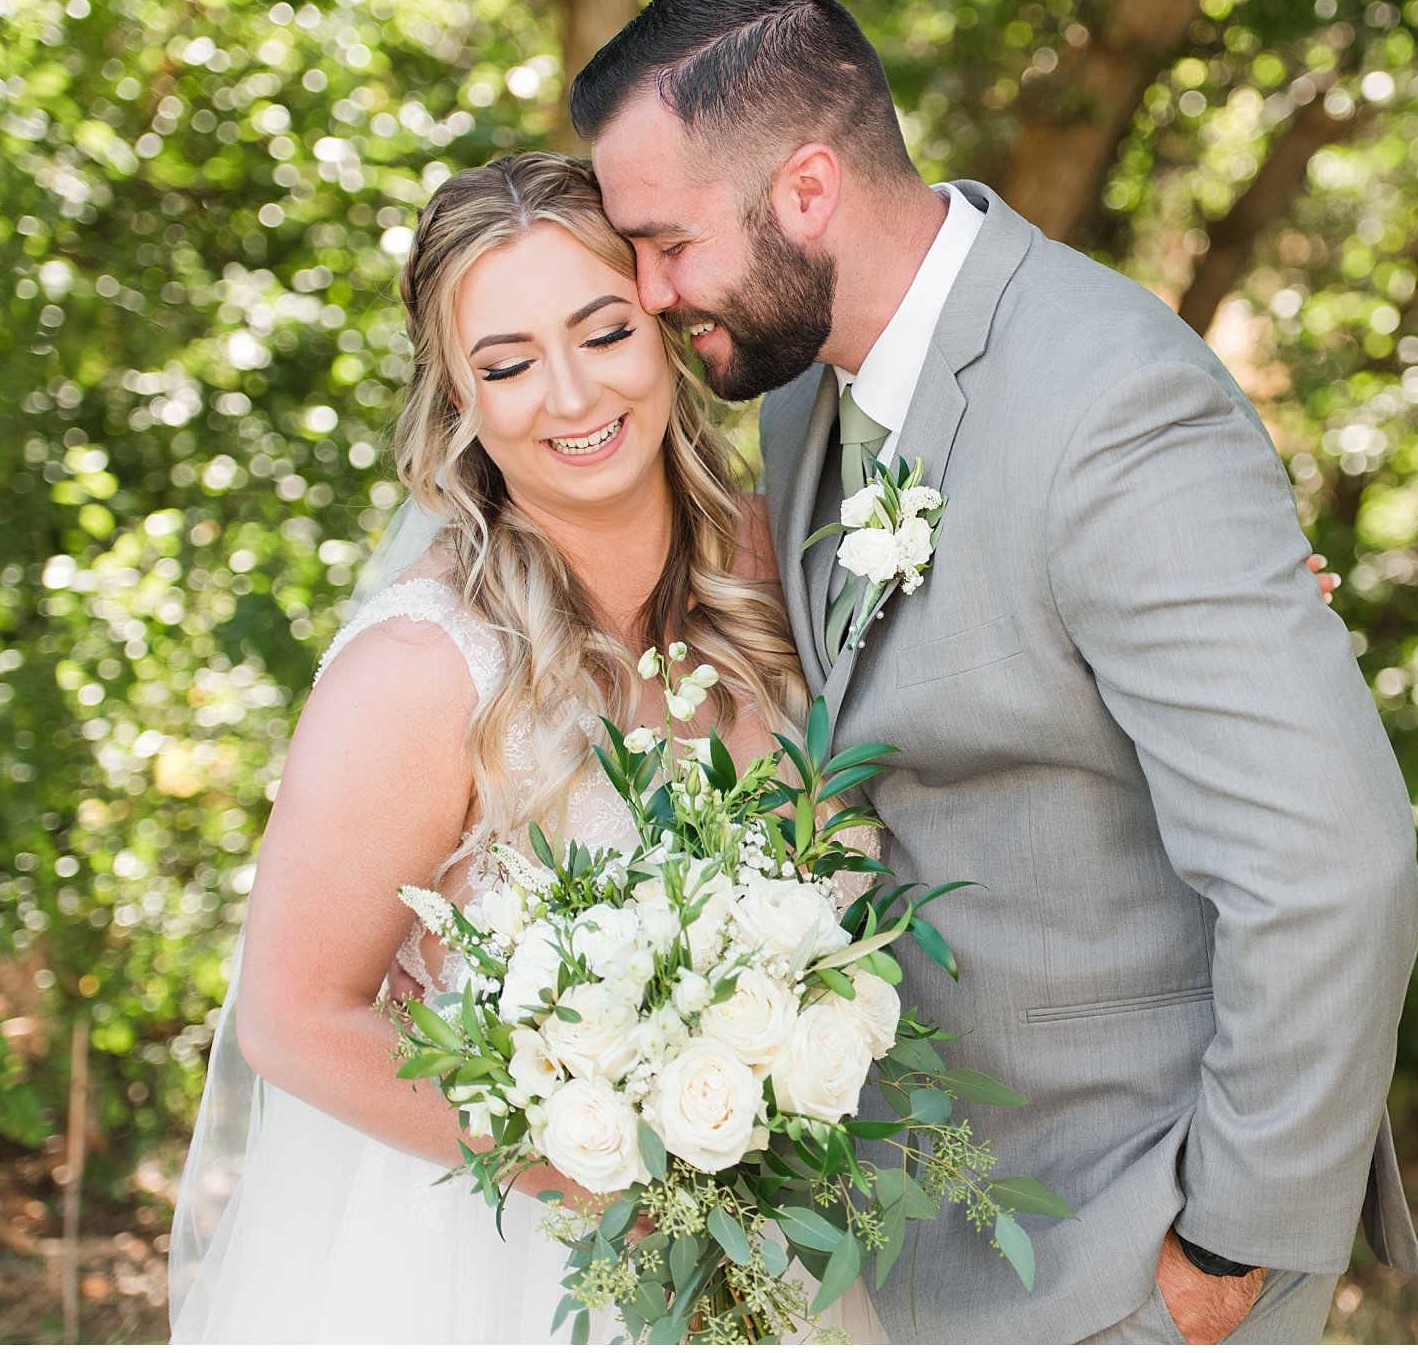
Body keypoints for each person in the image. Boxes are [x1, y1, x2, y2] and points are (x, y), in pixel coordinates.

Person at [571, 0, 1418, 1345]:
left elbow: (1330, 866)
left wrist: (1232, 1230)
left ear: (806, 191)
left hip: (1139, 1238)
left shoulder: (1114, 410)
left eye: (669, 243)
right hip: (947, 1215)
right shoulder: (802, 392)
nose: (652, 291)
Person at [165, 151, 896, 1341]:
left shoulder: (784, 573)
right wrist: (590, 1163)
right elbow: (292, 1015)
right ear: (459, 399)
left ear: (664, 329)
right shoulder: (424, 667)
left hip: (792, 1247)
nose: (567, 395)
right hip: (515, 1270)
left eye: (601, 331)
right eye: (506, 363)